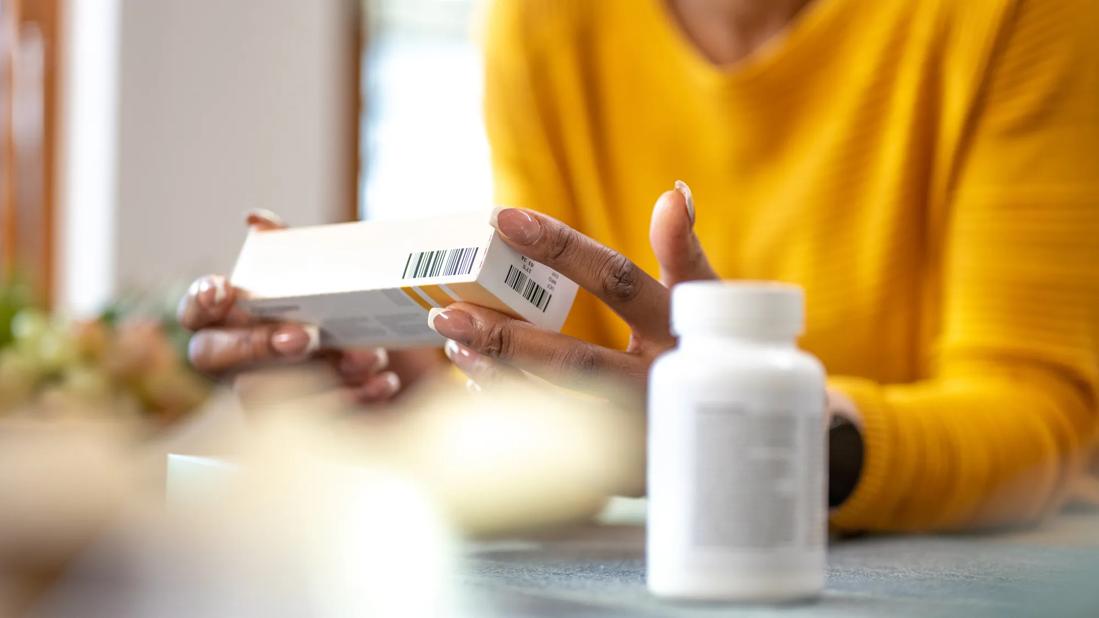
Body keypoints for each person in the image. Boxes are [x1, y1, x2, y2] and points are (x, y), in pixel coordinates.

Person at [179, 0, 1099, 532]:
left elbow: (1039, 411)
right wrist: (409, 398)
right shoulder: (546, 25)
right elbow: (584, 395)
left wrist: (764, 435)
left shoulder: (1011, 19)